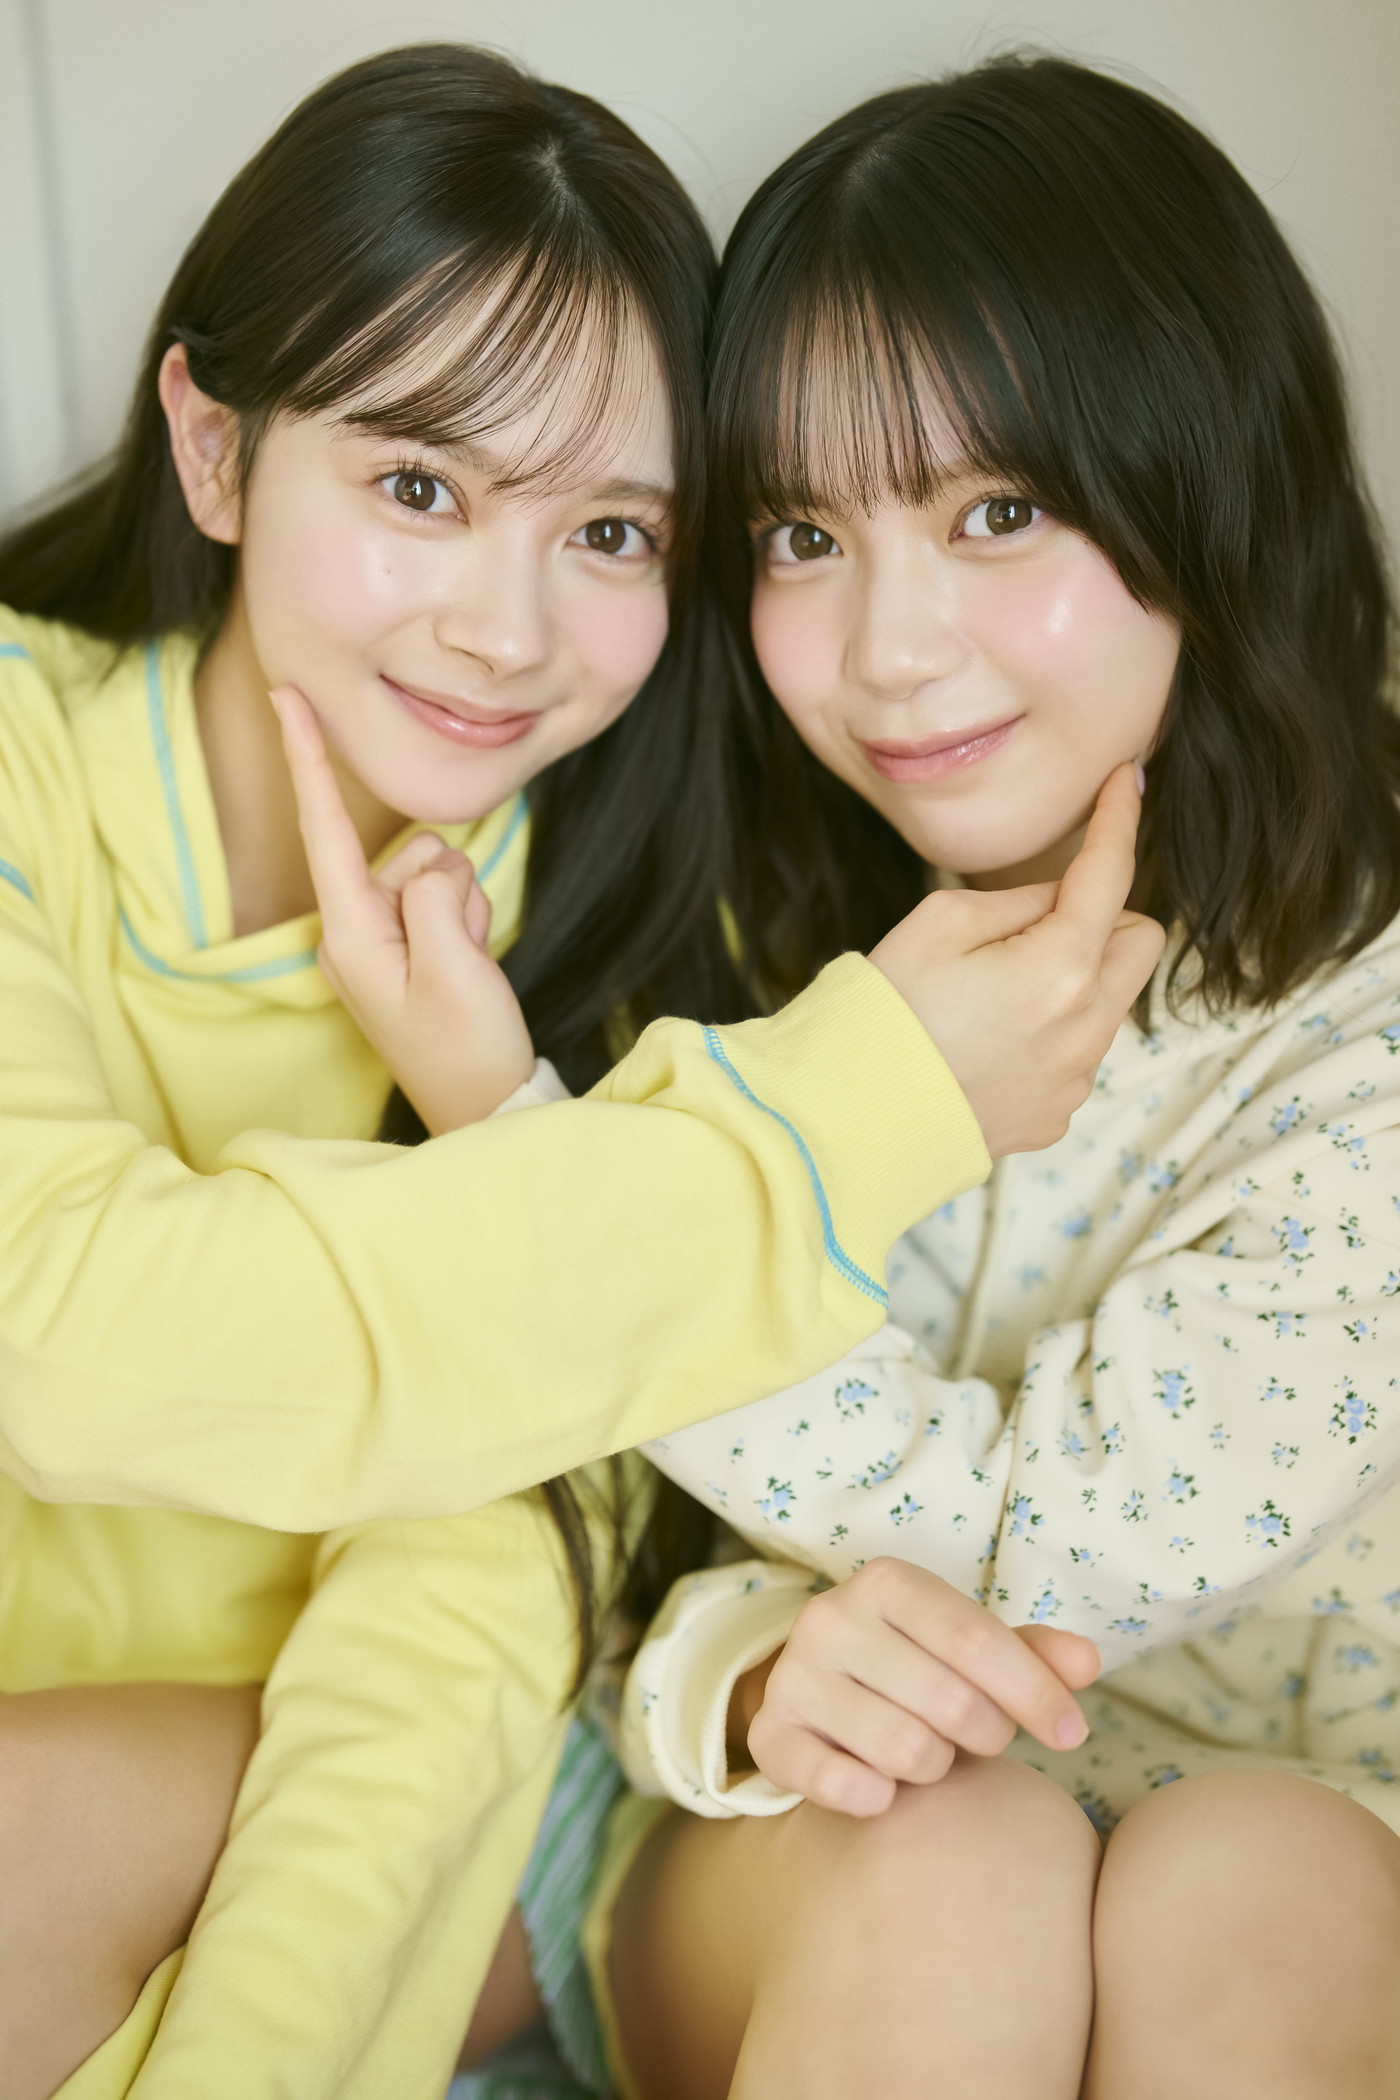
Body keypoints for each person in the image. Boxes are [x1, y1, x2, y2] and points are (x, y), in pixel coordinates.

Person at [0, 43, 1160, 2100]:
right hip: (97, 1755)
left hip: (472, 1769)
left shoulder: (657, 872)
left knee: (956, 1857)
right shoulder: (23, 761)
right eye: (420, 489)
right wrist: (835, 1124)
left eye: (611, 531)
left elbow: (499, 1582)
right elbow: (61, 1336)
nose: (507, 631)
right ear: (214, 448)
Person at [437, 53, 1400, 2100]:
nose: (886, 649)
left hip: (1306, 1863)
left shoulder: (1366, 1025)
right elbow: (622, 1575)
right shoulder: (761, 901)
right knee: (956, 1848)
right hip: (843, 1854)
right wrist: (753, 1668)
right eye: (804, 532)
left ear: (1213, 480)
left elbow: (1045, 1533)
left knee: (1249, 1883)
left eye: (996, 511)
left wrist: (527, 1159)